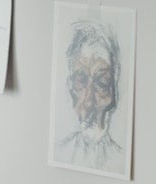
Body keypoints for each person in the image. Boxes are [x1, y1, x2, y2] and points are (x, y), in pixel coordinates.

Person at [53, 19, 125, 173]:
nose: (89, 101)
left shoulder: (121, 159)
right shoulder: (59, 152)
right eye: (81, 81)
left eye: (102, 82)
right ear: (70, 86)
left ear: (114, 89)